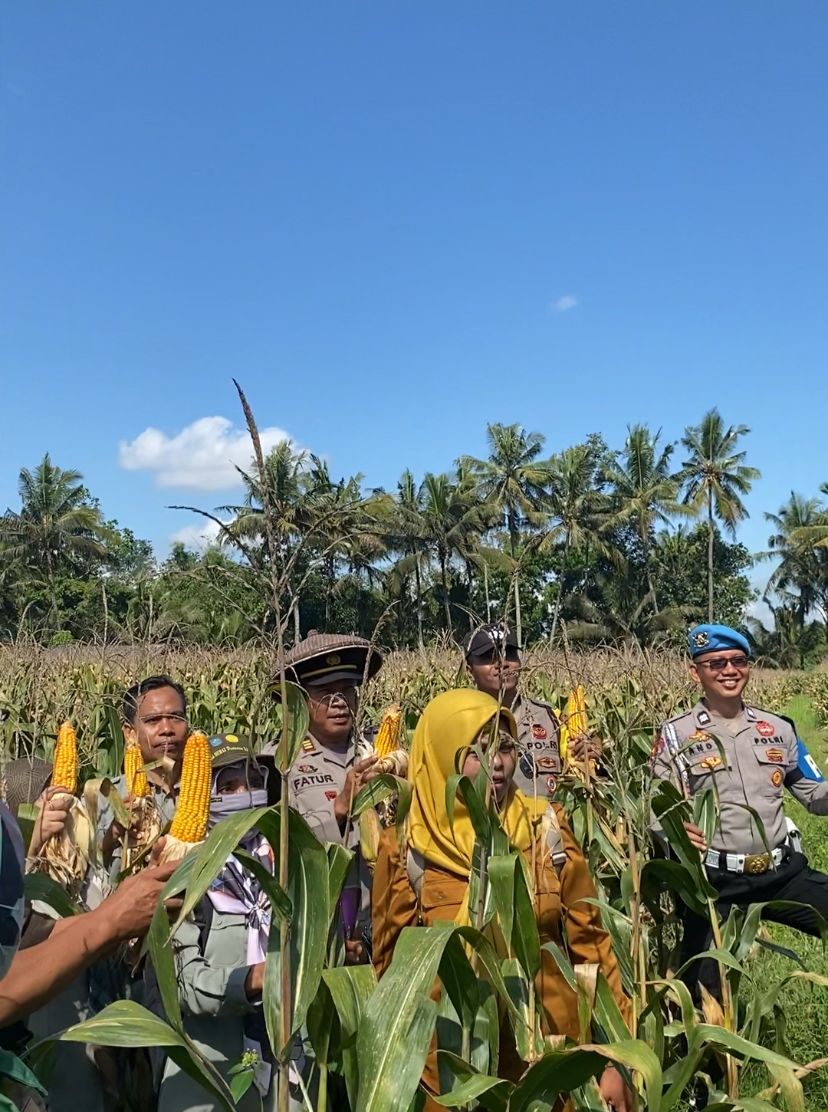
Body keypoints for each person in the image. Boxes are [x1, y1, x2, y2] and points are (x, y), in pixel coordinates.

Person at [372, 688, 633, 1112]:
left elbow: (593, 950)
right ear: (440, 756)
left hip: (553, 1072)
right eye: (476, 750)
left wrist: (613, 1060)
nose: (496, 761)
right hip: (450, 1077)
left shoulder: (545, 828)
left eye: (505, 746)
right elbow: (390, 977)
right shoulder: (406, 848)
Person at [651, 622, 828, 1002]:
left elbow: (814, 795)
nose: (729, 670)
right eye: (716, 663)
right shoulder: (675, 735)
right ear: (695, 672)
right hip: (716, 884)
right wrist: (675, 833)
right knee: (706, 999)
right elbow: (655, 807)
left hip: (781, 874)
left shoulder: (778, 728)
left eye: (738, 661)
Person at [157, 734, 302, 1112]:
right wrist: (256, 979)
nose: (245, 794)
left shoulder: (290, 863)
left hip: (284, 1073)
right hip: (208, 1077)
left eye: (253, 782)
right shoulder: (185, 874)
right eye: (228, 786)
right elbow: (187, 988)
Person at [279, 631, 384, 959]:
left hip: (383, 924)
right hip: (320, 932)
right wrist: (338, 808)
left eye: (347, 690)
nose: (339, 702)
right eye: (325, 693)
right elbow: (279, 849)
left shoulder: (378, 752)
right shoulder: (280, 764)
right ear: (301, 700)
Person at [464, 624, 600, 800]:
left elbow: (580, 761)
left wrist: (592, 752)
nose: (503, 663)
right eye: (490, 657)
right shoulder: (460, 722)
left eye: (509, 654)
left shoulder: (550, 717)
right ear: (469, 670)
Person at [97, 676, 189, 871]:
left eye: (176, 717)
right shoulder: (103, 799)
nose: (167, 729)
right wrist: (111, 837)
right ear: (129, 733)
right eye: (153, 720)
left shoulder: (218, 790)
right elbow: (79, 873)